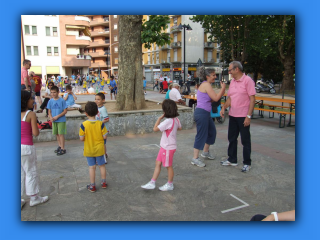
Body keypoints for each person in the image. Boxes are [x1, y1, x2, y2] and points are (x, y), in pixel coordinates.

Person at [220, 61, 256, 172]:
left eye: (230, 70)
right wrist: (223, 108)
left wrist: (248, 116)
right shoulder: (233, 82)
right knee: (231, 138)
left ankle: (247, 163)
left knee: (245, 140)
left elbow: (252, 99)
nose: (229, 72)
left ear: (237, 69)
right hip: (233, 115)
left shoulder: (248, 81)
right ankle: (232, 159)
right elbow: (230, 98)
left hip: (243, 115)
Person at [141, 99, 182, 191]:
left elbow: (155, 129)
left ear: (165, 110)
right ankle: (152, 182)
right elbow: (180, 128)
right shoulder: (176, 119)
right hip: (165, 147)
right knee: (158, 163)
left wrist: (159, 119)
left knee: (168, 166)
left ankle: (170, 184)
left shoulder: (168, 121)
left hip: (168, 147)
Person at [191, 66, 226, 168]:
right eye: (213, 75)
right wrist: (223, 88)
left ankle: (205, 152)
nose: (215, 77)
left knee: (212, 133)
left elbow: (211, 99)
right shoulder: (206, 84)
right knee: (201, 135)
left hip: (205, 113)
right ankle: (195, 158)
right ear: (207, 76)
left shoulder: (206, 85)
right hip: (201, 113)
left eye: (215, 75)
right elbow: (215, 98)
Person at [21, 90, 49, 208]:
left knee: (20, 173)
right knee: (31, 172)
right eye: (31, 99)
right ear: (25, 101)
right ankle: (34, 198)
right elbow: (35, 133)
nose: (33, 101)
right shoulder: (30, 114)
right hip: (27, 147)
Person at [79, 101, 108, 193]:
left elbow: (81, 138)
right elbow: (105, 136)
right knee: (102, 166)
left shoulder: (83, 125)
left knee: (92, 167)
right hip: (99, 149)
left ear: (86, 113)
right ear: (97, 112)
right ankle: (103, 183)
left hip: (89, 149)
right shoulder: (100, 124)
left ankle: (92, 186)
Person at [47, 86, 68, 156]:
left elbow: (65, 111)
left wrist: (57, 116)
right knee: (56, 134)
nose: (53, 94)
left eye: (54, 92)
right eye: (51, 92)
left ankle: (63, 148)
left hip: (61, 120)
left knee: (61, 134)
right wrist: (51, 117)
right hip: (54, 120)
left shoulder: (62, 100)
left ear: (58, 92)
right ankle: (59, 145)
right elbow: (49, 111)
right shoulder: (50, 101)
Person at [95, 92, 110, 162]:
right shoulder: (97, 108)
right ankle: (104, 154)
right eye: (95, 99)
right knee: (101, 143)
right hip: (99, 129)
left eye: (98, 99)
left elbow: (107, 119)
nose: (96, 101)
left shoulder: (103, 109)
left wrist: (99, 123)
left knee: (102, 143)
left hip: (103, 130)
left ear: (103, 100)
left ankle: (103, 158)